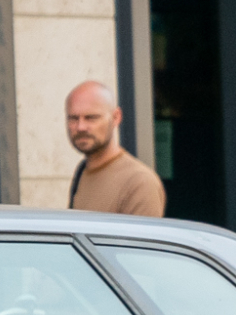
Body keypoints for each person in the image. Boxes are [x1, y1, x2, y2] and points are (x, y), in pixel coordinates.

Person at [64, 81, 164, 216]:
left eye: (91, 118)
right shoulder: (83, 170)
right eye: (73, 118)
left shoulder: (139, 182)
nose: (80, 127)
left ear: (116, 117)